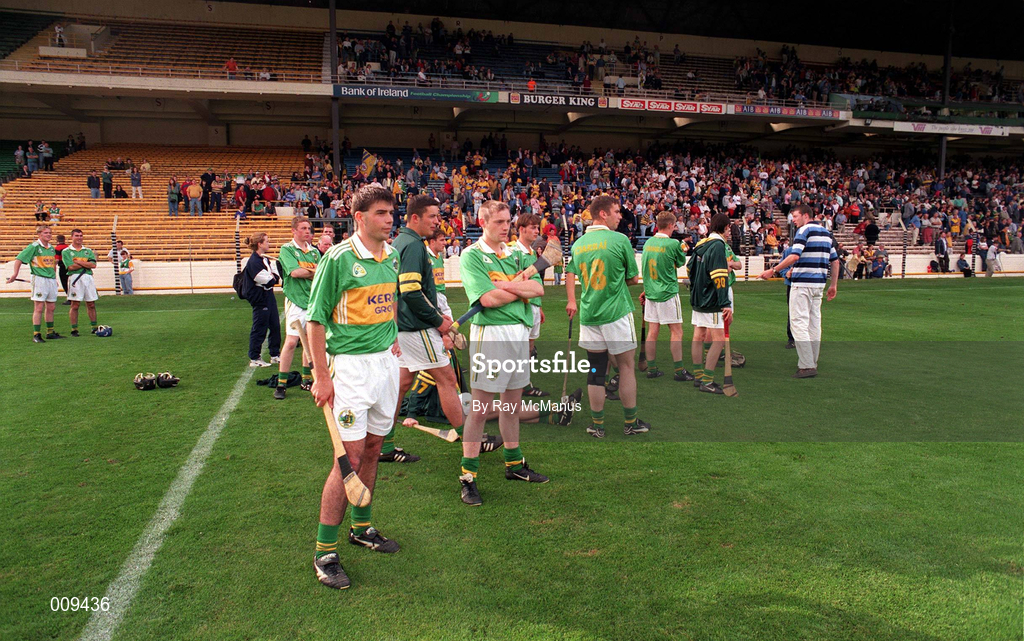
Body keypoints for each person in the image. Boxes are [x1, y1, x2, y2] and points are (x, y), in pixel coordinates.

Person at [308, 185, 403, 589]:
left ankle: (361, 527)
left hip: (385, 365)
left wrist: (393, 334)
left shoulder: (393, 255)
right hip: (349, 370)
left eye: (391, 212)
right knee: (346, 459)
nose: (389, 219)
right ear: (360, 218)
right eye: (381, 213)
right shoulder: (338, 258)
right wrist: (321, 376)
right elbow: (314, 320)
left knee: (374, 449)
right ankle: (324, 552)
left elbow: (390, 302)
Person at [458, 199, 549, 506]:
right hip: (492, 335)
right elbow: (487, 299)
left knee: (512, 402)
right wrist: (513, 289)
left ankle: (514, 463)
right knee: (481, 408)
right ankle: (468, 477)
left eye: (508, 221)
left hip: (519, 335)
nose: (506, 226)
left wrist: (505, 285)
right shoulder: (471, 255)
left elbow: (538, 290)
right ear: (482, 222)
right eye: (499, 222)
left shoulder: (515, 253)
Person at [566, 194, 650, 437]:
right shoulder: (619, 239)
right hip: (616, 312)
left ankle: (597, 425)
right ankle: (630, 423)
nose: (619, 216)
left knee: (595, 370)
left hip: (590, 314)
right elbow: (633, 278)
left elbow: (572, 273)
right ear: (603, 214)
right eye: (616, 211)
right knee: (625, 367)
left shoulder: (578, 244)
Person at [391, 195, 464, 464]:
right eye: (432, 216)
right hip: (418, 326)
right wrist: (438, 320)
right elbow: (410, 292)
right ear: (415, 218)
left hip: (405, 326)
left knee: (401, 384)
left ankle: (385, 445)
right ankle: (469, 437)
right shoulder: (412, 245)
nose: (437, 221)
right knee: (446, 378)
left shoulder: (402, 241)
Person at [758, 205, 839, 378]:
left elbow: (794, 256)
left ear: (805, 215)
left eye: (795, 216)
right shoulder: (826, 233)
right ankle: (812, 360)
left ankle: (807, 365)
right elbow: (835, 260)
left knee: (798, 323)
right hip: (819, 283)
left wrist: (773, 270)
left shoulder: (803, 231)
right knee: (814, 323)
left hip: (803, 283)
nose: (793, 220)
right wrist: (833, 285)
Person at [639, 211, 694, 382]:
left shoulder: (648, 243)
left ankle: (652, 368)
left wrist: (646, 290)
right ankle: (679, 370)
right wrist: (683, 247)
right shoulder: (673, 244)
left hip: (651, 293)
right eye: (674, 225)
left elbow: (646, 270)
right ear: (670, 225)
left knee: (652, 332)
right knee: (676, 332)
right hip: (668, 293)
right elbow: (679, 262)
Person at [274, 216, 320, 400]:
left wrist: (309, 273)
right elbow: (295, 272)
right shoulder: (287, 249)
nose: (307, 231)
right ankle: (281, 383)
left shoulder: (315, 252)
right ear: (294, 231)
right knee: (292, 342)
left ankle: (306, 379)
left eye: (309, 228)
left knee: (310, 342)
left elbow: (320, 274)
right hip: (296, 301)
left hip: (312, 301)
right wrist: (312, 272)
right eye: (303, 228)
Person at [686, 213, 732, 394]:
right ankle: (707, 380)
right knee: (718, 339)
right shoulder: (718, 246)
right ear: (726, 227)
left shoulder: (701, 243)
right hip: (711, 299)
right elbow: (720, 276)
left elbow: (689, 267)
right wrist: (725, 302)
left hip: (697, 298)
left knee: (698, 335)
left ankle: (698, 376)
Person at [511, 213, 551, 398]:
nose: (537, 231)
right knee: (517, 349)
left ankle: (525, 384)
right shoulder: (513, 251)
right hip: (522, 306)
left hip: (534, 306)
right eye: (533, 227)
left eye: (538, 227)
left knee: (527, 348)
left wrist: (539, 306)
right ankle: (513, 386)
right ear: (521, 229)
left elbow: (534, 280)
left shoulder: (532, 252)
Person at [6, 226, 63, 341]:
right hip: (39, 279)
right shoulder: (34, 247)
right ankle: (36, 334)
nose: (49, 234)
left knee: (51, 306)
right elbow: (19, 259)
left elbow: (52, 265)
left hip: (50, 280)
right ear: (39, 234)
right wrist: (15, 274)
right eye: (46, 233)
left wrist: (54, 277)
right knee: (39, 307)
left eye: (50, 233)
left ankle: (50, 332)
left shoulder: (51, 248)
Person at [244, 232, 281, 367]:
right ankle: (254, 358)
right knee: (260, 327)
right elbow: (270, 280)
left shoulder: (264, 259)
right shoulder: (254, 262)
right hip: (260, 297)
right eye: (266, 241)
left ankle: (275, 354)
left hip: (268, 295)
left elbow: (274, 276)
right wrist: (274, 277)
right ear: (259, 244)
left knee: (275, 325)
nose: (269, 243)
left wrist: (274, 277)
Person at [63, 229, 100, 336]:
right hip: (75, 278)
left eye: (80, 235)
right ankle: (74, 329)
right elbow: (70, 267)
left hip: (88, 278)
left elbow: (93, 265)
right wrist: (86, 263)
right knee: (75, 304)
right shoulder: (66, 251)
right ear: (72, 237)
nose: (79, 237)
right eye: (76, 235)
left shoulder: (87, 250)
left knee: (91, 303)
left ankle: (94, 326)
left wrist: (78, 261)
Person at [54, 233, 70, 303]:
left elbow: (56, 259)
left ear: (57, 240)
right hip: (70, 266)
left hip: (62, 266)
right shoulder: (68, 247)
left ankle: (69, 298)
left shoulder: (57, 248)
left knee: (64, 282)